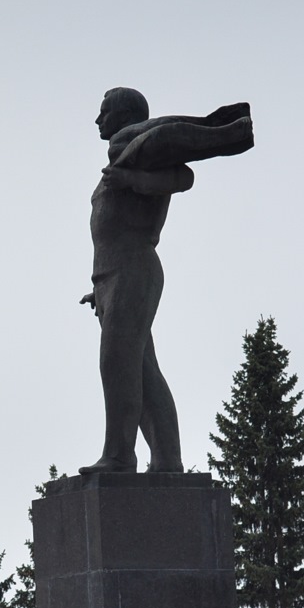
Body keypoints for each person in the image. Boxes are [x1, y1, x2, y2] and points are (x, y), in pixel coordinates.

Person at [80, 88, 253, 474]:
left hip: (134, 271)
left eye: (104, 111)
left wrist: (133, 179)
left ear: (126, 114)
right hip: (111, 279)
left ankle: (120, 456)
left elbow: (183, 177)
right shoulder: (127, 154)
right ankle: (168, 460)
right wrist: (99, 289)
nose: (97, 120)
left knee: (117, 364)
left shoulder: (134, 150)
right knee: (140, 370)